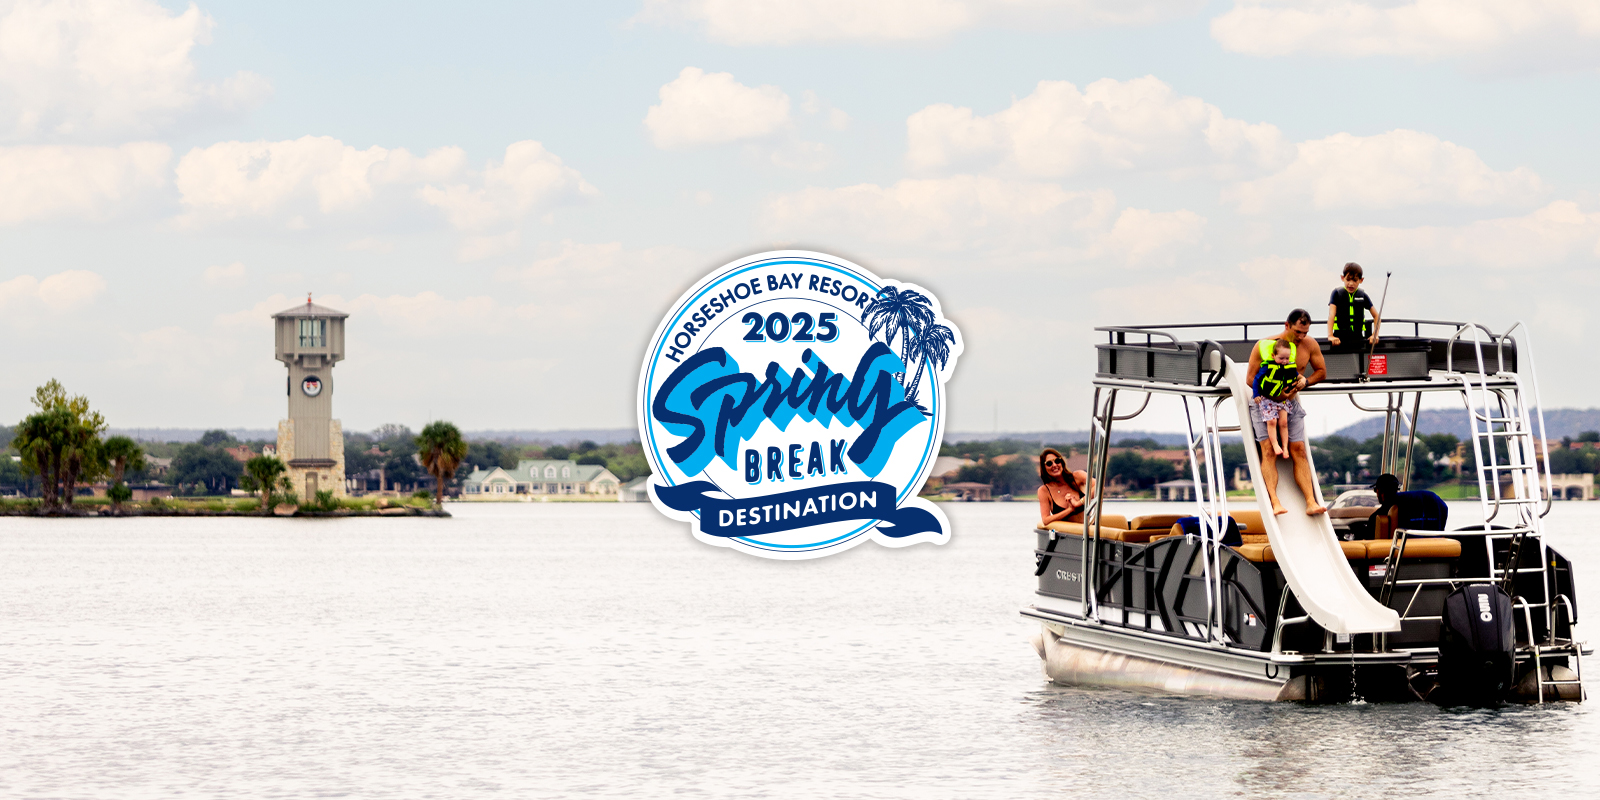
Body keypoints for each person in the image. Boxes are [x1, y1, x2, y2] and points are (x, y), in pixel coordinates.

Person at [1246, 309, 1327, 516]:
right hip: (1265, 401)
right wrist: (1274, 395)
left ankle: (1311, 502)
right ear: (1287, 325)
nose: (1301, 337)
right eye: (1298, 332)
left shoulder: (1310, 345)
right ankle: (1275, 502)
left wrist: (1305, 381)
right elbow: (1250, 378)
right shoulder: (1266, 345)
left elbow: (1321, 372)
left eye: (1305, 332)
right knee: (1268, 450)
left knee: (1299, 448)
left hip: (1289, 403)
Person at [1328, 263, 1382, 376]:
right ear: (1342, 278)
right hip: (1340, 337)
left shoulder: (1363, 295)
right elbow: (1331, 315)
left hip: (1358, 338)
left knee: (1358, 366)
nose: (1351, 284)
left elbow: (1376, 316)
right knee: (1341, 370)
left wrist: (1375, 334)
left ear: (1361, 280)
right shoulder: (1337, 294)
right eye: (1348, 280)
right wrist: (1330, 336)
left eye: (1355, 280)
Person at [1252, 339, 1298, 458]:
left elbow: (1297, 375)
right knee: (1272, 421)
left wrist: (1303, 380)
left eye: (1287, 358)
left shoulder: (1290, 367)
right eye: (1281, 358)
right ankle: (1275, 444)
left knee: (1283, 423)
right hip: (1267, 399)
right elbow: (1256, 380)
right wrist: (1256, 394)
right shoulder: (1267, 367)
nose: (1284, 361)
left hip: (1282, 400)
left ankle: (1285, 447)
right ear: (1273, 356)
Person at [1369, 473, 1448, 539]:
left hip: (1399, 553)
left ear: (1380, 492)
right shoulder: (1436, 502)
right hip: (1435, 550)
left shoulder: (1376, 517)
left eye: (1375, 490)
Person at [1037, 448, 1091, 527]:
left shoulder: (1078, 476)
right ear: (1044, 468)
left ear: (1062, 462)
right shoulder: (1044, 491)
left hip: (1089, 533)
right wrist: (1070, 510)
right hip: (1067, 536)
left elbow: (1099, 487)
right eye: (1049, 463)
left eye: (1057, 461)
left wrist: (1079, 503)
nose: (1054, 465)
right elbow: (1046, 520)